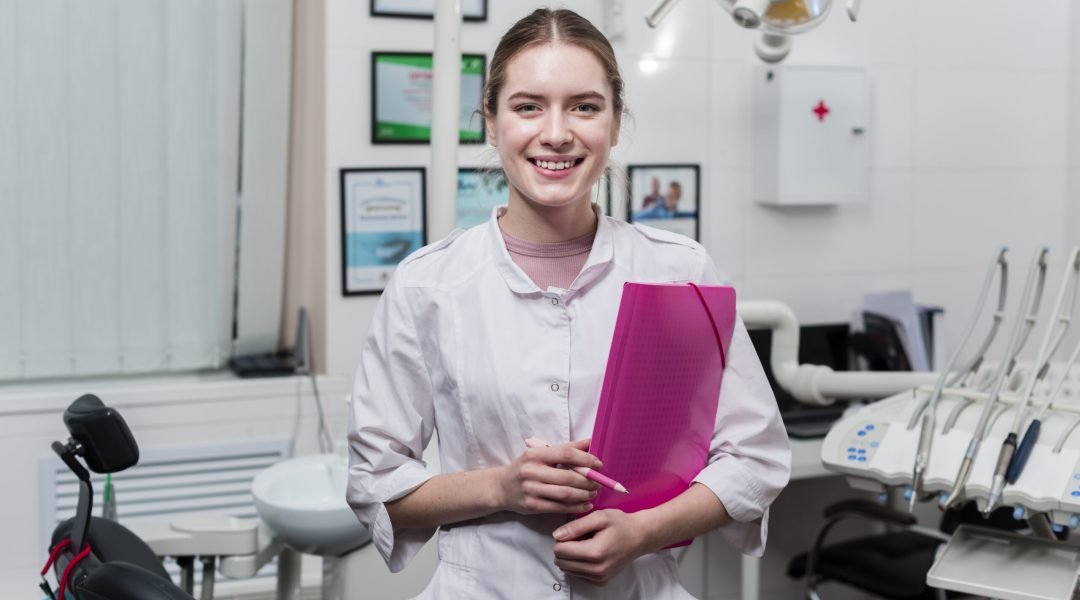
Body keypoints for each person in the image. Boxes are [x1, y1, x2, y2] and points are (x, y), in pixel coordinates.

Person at [347, 8, 790, 599]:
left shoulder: (678, 270)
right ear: (491, 120)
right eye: (528, 106)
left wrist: (640, 531)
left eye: (584, 106)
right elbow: (376, 486)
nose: (556, 133)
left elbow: (754, 459)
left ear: (614, 122)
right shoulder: (428, 285)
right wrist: (501, 489)